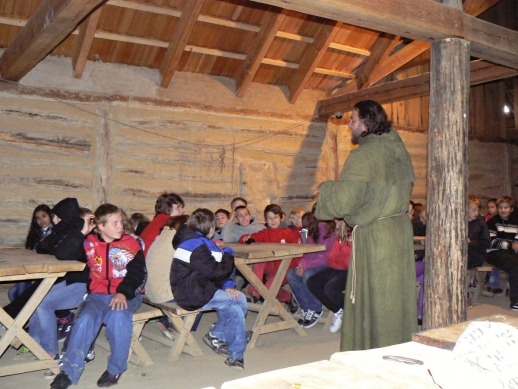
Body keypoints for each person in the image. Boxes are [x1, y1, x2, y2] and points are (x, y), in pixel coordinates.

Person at [314, 99, 416, 351]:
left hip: (376, 235)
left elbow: (345, 201)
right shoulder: (397, 150)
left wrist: (325, 189)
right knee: (395, 297)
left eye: (353, 119)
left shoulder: (365, 155)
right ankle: (400, 347)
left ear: (368, 123)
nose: (349, 125)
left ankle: (377, 353)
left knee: (378, 299)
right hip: (399, 231)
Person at [51, 203, 147, 389]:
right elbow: (62, 254)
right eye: (115, 223)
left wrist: (123, 293)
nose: (121, 226)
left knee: (117, 317)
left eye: (121, 222)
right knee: (84, 320)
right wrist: (81, 232)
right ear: (100, 226)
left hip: (126, 295)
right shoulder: (89, 243)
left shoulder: (130, 243)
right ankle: (69, 371)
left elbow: (138, 273)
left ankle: (115, 368)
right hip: (98, 295)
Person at [170, 209, 247, 371]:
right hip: (192, 294)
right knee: (240, 300)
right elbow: (218, 272)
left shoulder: (192, 240)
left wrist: (227, 286)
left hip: (196, 288)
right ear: (211, 229)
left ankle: (235, 354)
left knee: (234, 308)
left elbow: (213, 273)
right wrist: (228, 253)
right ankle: (222, 334)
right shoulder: (197, 245)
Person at [27, 198, 90, 378]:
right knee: (35, 297)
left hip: (84, 284)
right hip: (69, 280)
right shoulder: (64, 230)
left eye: (55, 217)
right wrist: (55, 239)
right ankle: (34, 344)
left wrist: (76, 234)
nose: (53, 220)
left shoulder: (78, 232)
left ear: (64, 217)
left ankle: (50, 353)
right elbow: (42, 247)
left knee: (42, 304)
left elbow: (62, 253)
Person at [240, 204, 301, 313]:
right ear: (266, 219)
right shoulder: (265, 233)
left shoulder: (290, 232)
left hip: (286, 268)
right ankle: (253, 293)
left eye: (275, 217)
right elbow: (246, 238)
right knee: (259, 260)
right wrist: (246, 239)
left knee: (267, 290)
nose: (273, 221)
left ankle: (288, 297)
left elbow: (299, 252)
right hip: (271, 267)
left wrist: (296, 266)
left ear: (281, 217)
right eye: (269, 218)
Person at [286, 212, 335, 328]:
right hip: (313, 263)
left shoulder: (333, 230)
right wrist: (301, 264)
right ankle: (306, 307)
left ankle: (315, 308)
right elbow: (308, 251)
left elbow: (328, 256)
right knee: (291, 274)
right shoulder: (314, 229)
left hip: (328, 265)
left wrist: (307, 266)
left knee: (308, 275)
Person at [306, 220, 351, 333]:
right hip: (336, 268)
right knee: (312, 282)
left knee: (330, 288)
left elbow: (349, 262)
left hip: (350, 271)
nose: (333, 222)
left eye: (336, 220)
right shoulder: (339, 236)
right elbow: (331, 259)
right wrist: (340, 260)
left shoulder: (354, 235)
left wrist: (339, 259)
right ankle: (338, 310)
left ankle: (352, 310)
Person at [8, 205, 54, 302]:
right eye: (38, 218)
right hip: (31, 268)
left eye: (43, 216)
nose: (41, 220)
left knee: (19, 293)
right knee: (12, 293)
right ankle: (21, 315)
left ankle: (23, 315)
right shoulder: (36, 233)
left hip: (46, 270)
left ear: (50, 215)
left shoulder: (55, 232)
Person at [486, 196, 518, 310]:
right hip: (494, 253)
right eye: (500, 207)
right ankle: (515, 302)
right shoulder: (492, 222)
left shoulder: (516, 220)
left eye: (506, 207)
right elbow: (491, 242)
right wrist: (511, 246)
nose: (503, 210)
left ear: (511, 209)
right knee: (515, 265)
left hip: (511, 252)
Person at [467, 195, 491, 270]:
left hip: (477, 254)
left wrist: (471, 243)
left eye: (478, 210)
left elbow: (487, 243)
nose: (476, 213)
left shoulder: (481, 223)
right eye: (474, 210)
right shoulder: (460, 222)